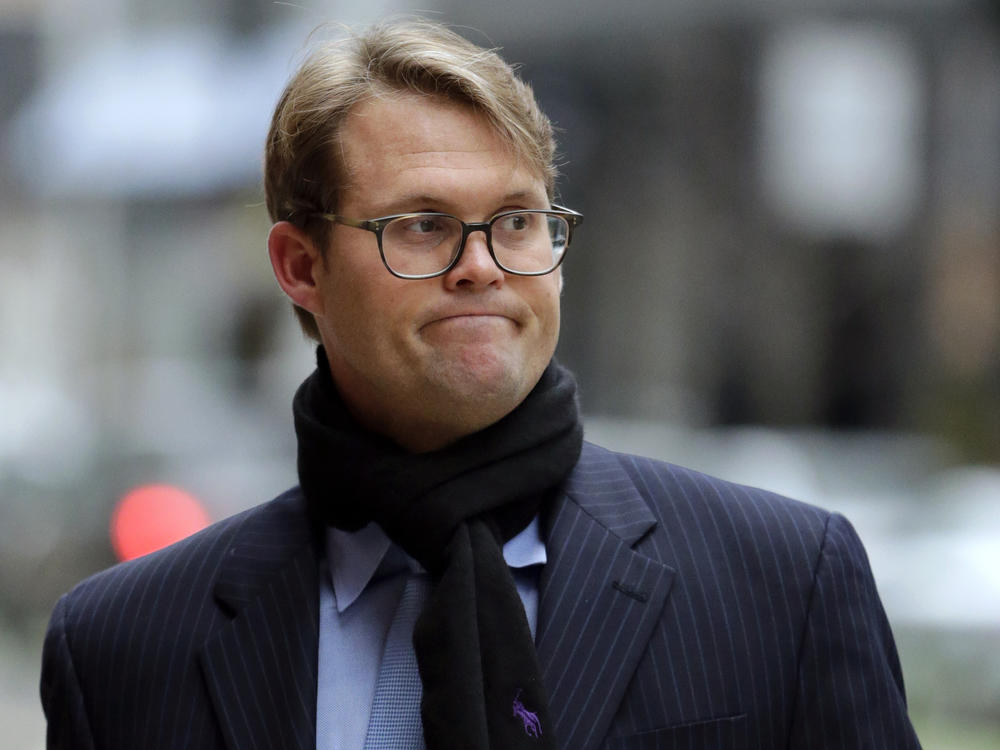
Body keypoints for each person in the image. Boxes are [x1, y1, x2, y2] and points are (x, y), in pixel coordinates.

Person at [40, 19, 922, 750]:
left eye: (517, 221)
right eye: (424, 226)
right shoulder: (121, 649)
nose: (482, 267)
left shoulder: (785, 584)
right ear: (301, 266)